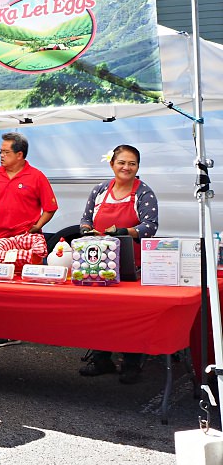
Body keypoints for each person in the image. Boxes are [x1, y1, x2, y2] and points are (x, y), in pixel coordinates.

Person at [78, 144, 158, 384]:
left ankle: (132, 362)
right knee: (100, 313)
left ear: (138, 167)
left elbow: (150, 226)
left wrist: (125, 231)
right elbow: (85, 218)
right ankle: (102, 358)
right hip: (99, 263)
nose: (126, 167)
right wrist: (85, 230)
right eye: (122, 162)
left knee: (130, 314)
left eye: (132, 163)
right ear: (112, 164)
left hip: (130, 267)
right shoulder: (100, 190)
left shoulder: (144, 192)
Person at [0, 132, 58, 348]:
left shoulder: (36, 176)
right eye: (1, 152)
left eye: (6, 152)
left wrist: (37, 227)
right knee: (2, 286)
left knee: (28, 286)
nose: (1, 156)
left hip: (26, 240)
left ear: (20, 154)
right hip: (1, 239)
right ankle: (7, 330)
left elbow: (50, 207)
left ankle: (36, 328)